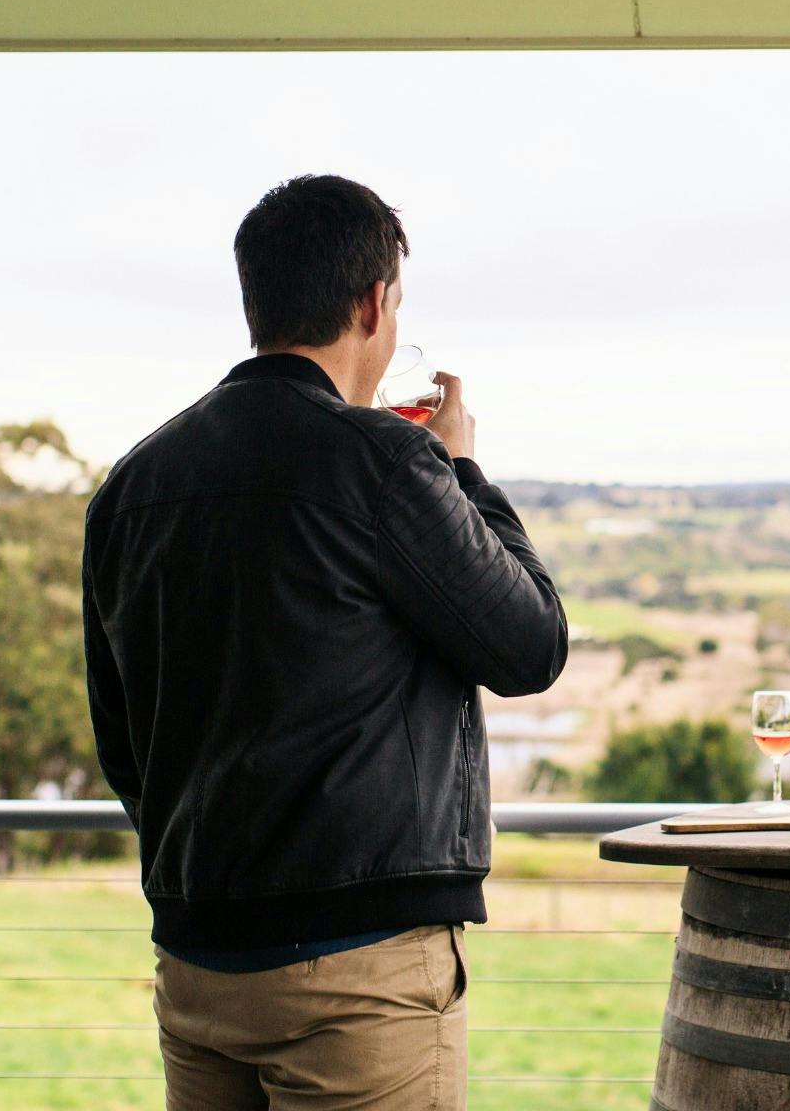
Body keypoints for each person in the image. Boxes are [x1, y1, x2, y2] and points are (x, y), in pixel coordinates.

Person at [83, 174, 568, 1110]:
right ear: (373, 304)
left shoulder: (131, 485)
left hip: (194, 961)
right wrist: (464, 470)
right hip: (358, 978)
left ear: (257, 300)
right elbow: (530, 645)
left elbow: (122, 741)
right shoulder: (388, 461)